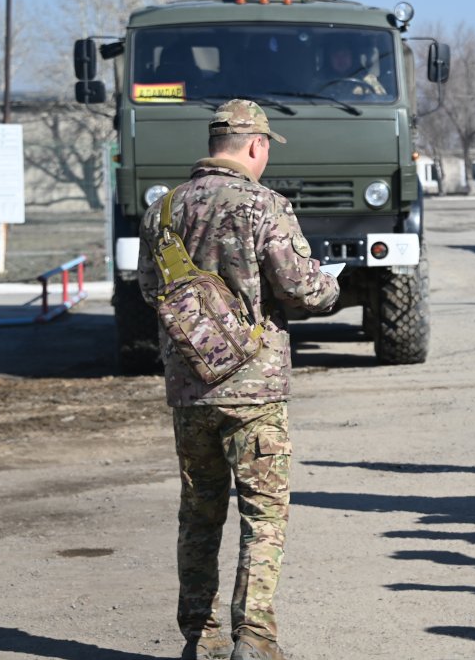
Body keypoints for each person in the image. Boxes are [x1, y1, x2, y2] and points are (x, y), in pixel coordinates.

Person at [137, 100, 340, 660]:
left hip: (190, 386)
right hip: (254, 389)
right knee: (263, 514)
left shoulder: (163, 210)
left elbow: (147, 290)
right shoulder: (264, 205)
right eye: (267, 147)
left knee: (199, 513)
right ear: (255, 145)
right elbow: (303, 289)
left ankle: (199, 641)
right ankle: (253, 640)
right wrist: (331, 287)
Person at [319, 36, 388, 98]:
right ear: (329, 59)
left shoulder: (367, 79)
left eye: (345, 54)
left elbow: (383, 100)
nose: (341, 59)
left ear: (352, 57)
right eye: (335, 55)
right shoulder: (320, 80)